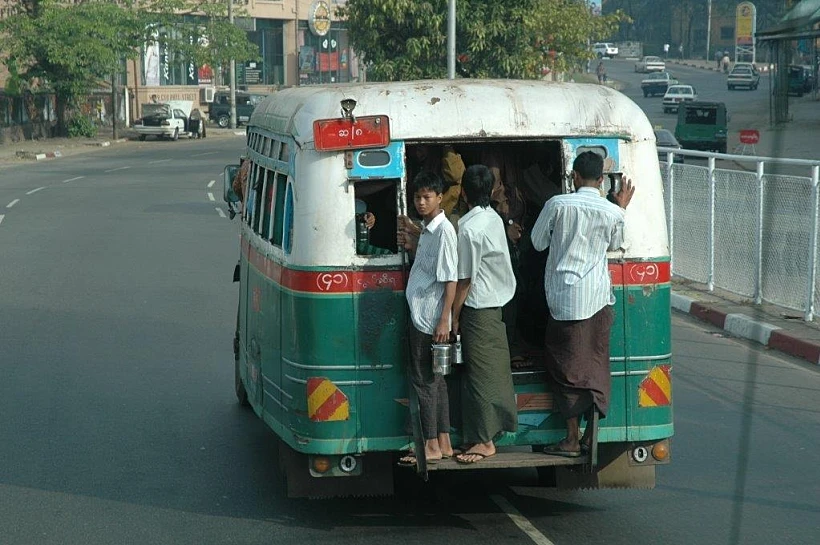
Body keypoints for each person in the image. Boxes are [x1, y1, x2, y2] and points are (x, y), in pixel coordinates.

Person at [530, 151, 635, 457]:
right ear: (602, 180)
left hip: (564, 302)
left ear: (573, 177)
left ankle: (571, 437)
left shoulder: (557, 204)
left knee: (565, 369)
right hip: (598, 301)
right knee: (595, 367)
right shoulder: (612, 212)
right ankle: (591, 436)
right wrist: (621, 209)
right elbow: (615, 245)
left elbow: (538, 243)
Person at [452, 164, 518, 464]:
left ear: (463, 192)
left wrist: (452, 316)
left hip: (479, 308)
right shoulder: (492, 218)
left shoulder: (469, 228)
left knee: (480, 376)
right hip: (495, 304)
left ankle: (485, 440)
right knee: (489, 371)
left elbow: (464, 280)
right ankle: (481, 435)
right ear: (491, 191)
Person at [397, 170, 458, 466]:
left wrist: (444, 319)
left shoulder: (444, 232)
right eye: (417, 197)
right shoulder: (428, 230)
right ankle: (444, 441)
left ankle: (431, 444)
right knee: (436, 382)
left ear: (440, 197)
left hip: (428, 316)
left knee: (423, 381)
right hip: (425, 313)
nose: (421, 202)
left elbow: (450, 280)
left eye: (426, 197)